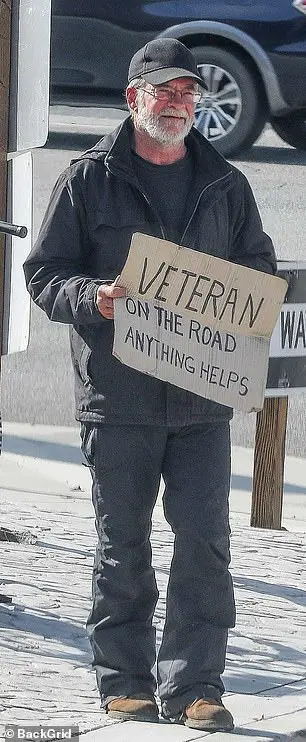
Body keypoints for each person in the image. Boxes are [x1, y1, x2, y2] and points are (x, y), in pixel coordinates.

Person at [24, 38, 277, 731]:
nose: (178, 104)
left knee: (205, 543)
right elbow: (46, 274)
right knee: (122, 545)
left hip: (202, 402)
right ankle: (124, 680)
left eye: (188, 93)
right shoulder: (87, 178)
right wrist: (96, 297)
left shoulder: (227, 182)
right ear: (133, 98)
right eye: (163, 92)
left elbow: (257, 266)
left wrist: (255, 300)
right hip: (120, 398)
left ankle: (197, 686)